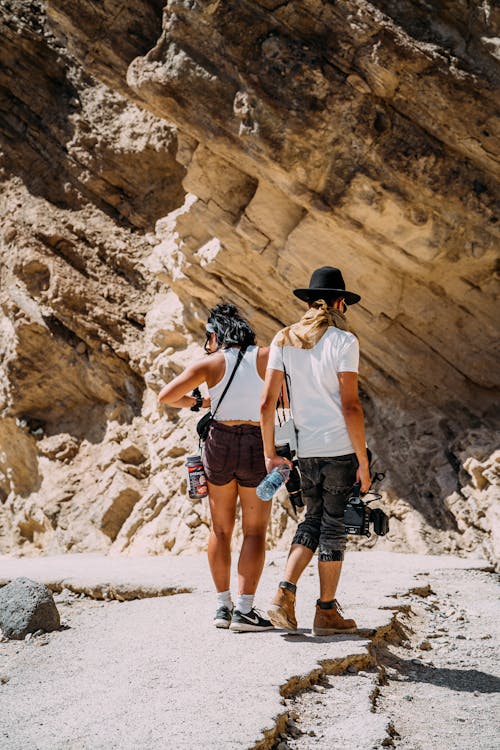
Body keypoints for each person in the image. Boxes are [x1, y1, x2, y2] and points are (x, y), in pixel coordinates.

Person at [260, 266, 371, 635]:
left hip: (304, 449)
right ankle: (325, 612)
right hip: (339, 449)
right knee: (333, 527)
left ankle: (283, 595)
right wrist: (363, 460)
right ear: (340, 303)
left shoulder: (282, 340)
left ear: (309, 302)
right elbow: (351, 406)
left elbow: (267, 403)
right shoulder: (344, 342)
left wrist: (270, 454)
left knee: (311, 519)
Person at [158, 303, 274, 632]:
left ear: (215, 335)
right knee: (254, 531)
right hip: (254, 442)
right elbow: (285, 396)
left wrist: (200, 402)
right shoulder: (265, 356)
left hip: (219, 444)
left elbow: (167, 396)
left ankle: (222, 607)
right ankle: (245, 610)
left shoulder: (210, 363)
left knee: (220, 530)